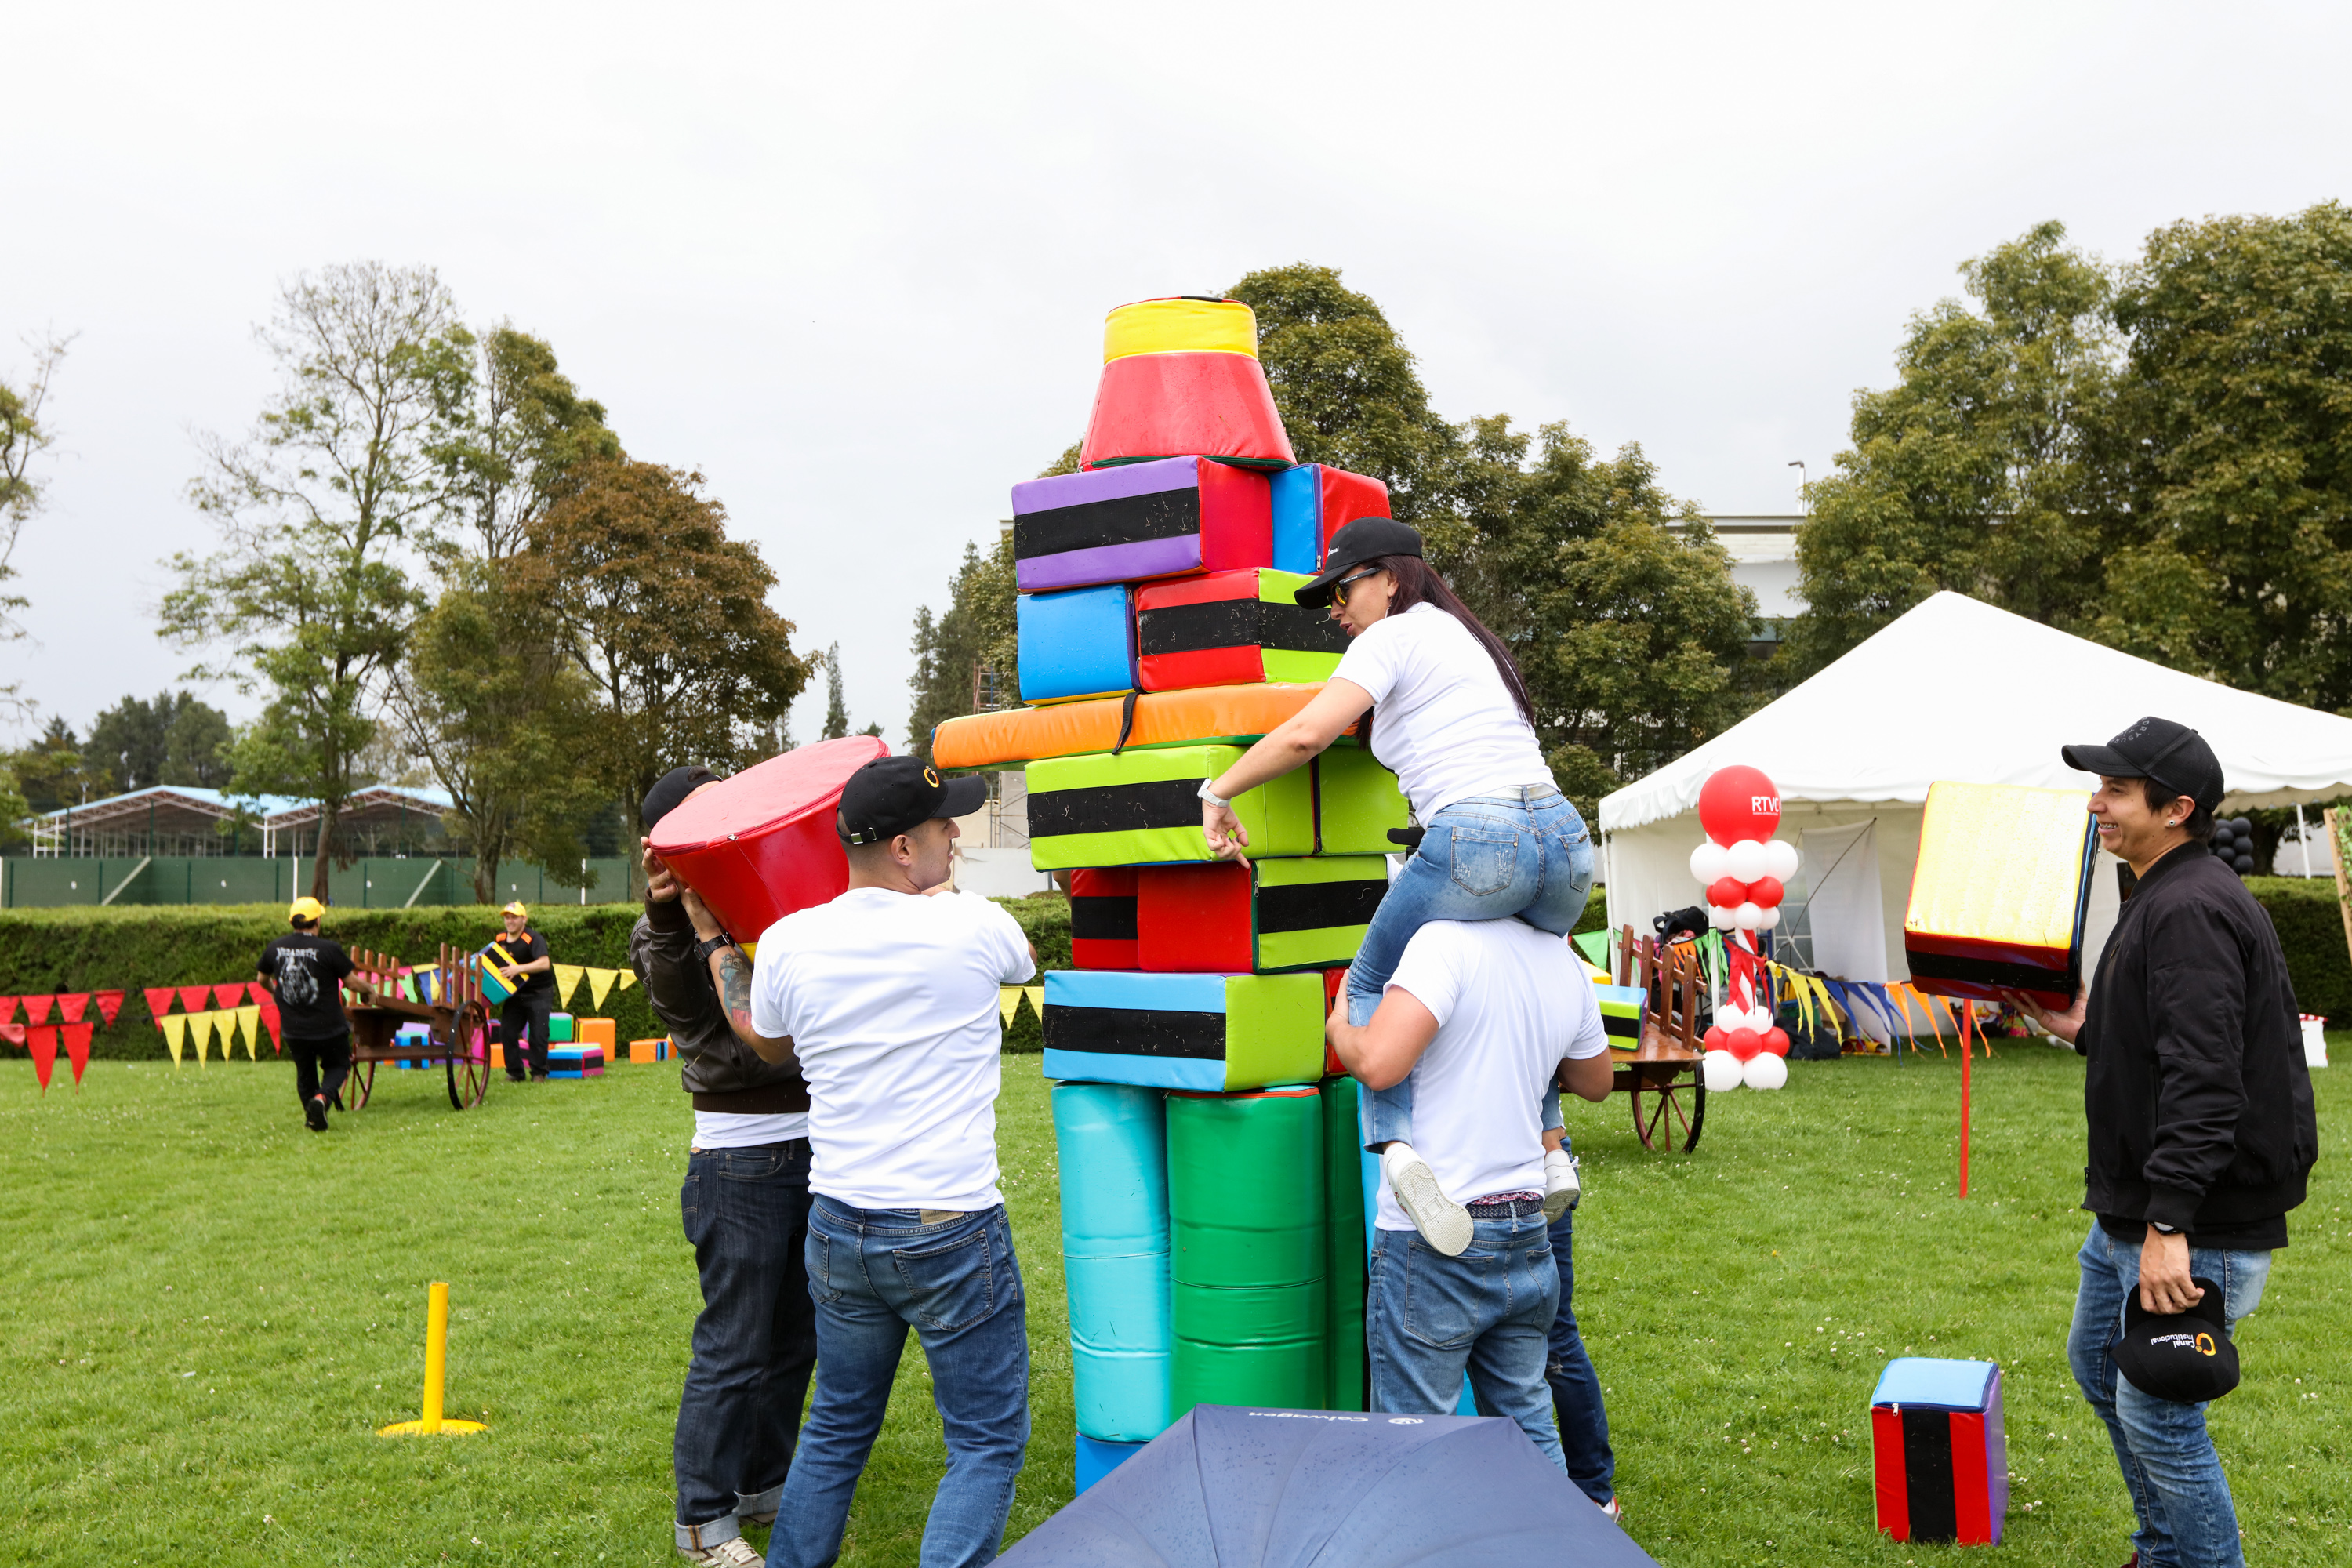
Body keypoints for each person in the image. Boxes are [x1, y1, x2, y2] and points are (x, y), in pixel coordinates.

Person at [1197, 515, 1592, 1250]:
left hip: (1480, 836)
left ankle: (1399, 1152)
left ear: (1388, 579)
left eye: (1342, 591)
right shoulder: (1470, 641)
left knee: (1366, 986)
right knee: (1529, 969)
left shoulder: (1393, 636)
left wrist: (1217, 792)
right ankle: (1551, 1148)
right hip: (1566, 842)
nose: (1336, 610)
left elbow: (1306, 734)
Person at [2009, 717, 2318, 1568]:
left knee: (2160, 1416)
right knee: (2098, 1367)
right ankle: (2165, 1552)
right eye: (2099, 786)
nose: (2096, 803)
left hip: (2194, 1219)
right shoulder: (2161, 891)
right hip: (2135, 1205)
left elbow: (2207, 1078)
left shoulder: (2189, 908)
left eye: (2116, 789)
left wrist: (2170, 1223)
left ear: (2177, 809)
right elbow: (2165, 1041)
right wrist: (2084, 1027)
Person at [716, 756, 1038, 1568]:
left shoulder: (789, 940)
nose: (955, 832)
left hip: (840, 1225)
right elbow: (1025, 957)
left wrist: (715, 944)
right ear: (903, 847)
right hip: (949, 1225)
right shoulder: (973, 923)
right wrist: (946, 897)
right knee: (986, 1439)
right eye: (942, 824)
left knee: (836, 1425)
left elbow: (767, 1039)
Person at [1326, 914, 1614, 1473]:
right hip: (1526, 1224)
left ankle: (1399, 1152)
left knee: (1413, 1443)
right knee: (1527, 1427)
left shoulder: (1439, 942)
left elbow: (1379, 1065)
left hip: (1436, 1236)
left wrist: (1340, 1026)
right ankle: (1560, 1522)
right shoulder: (1562, 959)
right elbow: (1598, 1082)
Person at [633, 764, 819, 1568]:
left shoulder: (771, 901)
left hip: (819, 1144)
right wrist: (669, 908)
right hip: (738, 1159)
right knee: (736, 1344)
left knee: (798, 1334)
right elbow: (682, 1002)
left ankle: (764, 1484)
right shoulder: (661, 930)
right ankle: (704, 1520)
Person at [256, 895, 357, 1133]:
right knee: (339, 1064)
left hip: (294, 1028)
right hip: (329, 1027)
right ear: (317, 921)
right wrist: (370, 990)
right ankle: (321, 1100)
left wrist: (276, 993)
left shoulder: (274, 947)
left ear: (292, 921)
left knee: (305, 1072)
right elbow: (352, 983)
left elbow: (262, 979)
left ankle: (312, 1118)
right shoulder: (329, 949)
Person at [489, 900, 556, 1082]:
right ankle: (515, 1073)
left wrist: (517, 969)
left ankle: (538, 1073)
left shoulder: (533, 938)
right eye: (507, 918)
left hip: (539, 993)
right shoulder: (500, 939)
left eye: (514, 917)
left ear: (524, 919)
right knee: (507, 1032)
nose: (510, 921)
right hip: (515, 994)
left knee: (538, 1035)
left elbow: (544, 963)